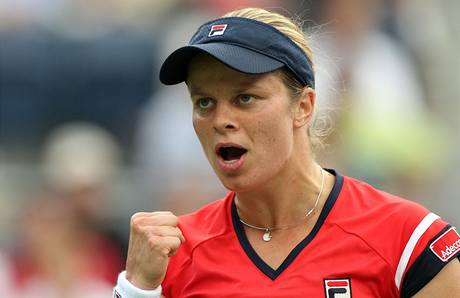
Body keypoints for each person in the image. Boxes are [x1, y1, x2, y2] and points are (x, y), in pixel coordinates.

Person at [113, 7, 460, 298]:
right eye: (204, 102)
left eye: (244, 98)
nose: (221, 120)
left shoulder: (408, 240)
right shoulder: (171, 257)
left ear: (304, 106)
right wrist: (137, 289)